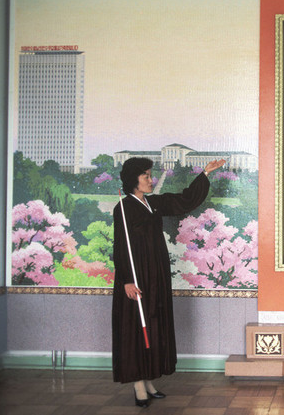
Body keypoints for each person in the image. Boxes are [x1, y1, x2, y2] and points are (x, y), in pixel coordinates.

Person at [111, 157, 225, 408]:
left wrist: (205, 173)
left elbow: (184, 200)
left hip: (156, 275)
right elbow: (120, 246)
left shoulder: (153, 203)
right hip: (136, 277)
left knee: (153, 325)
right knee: (136, 328)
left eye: (150, 175)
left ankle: (149, 380)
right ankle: (137, 384)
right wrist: (127, 280)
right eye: (146, 176)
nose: (151, 180)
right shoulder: (123, 208)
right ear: (133, 180)